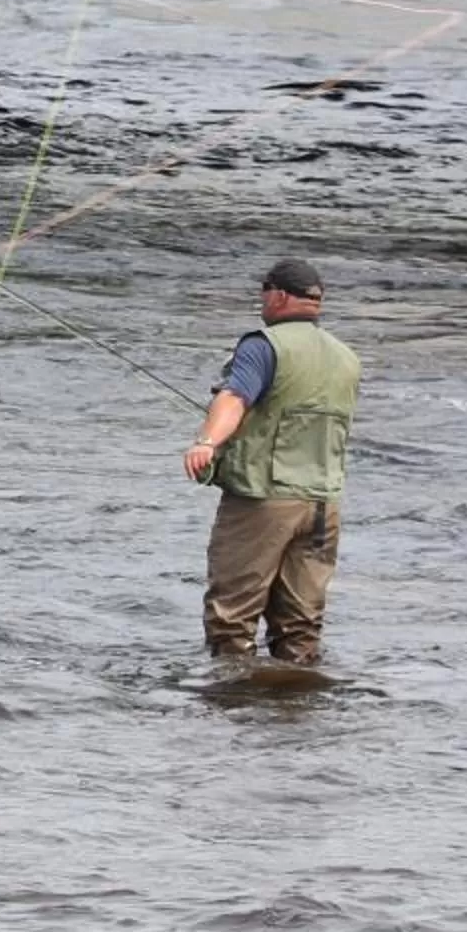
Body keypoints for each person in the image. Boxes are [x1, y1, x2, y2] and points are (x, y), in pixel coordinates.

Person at [184, 257, 361, 666]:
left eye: (263, 291)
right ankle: (294, 712)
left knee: (232, 618)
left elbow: (235, 397)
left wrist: (206, 442)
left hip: (264, 501)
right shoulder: (347, 358)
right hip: (323, 506)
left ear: (278, 295)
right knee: (301, 624)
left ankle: (232, 710)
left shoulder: (263, 345)